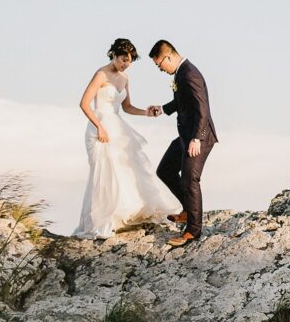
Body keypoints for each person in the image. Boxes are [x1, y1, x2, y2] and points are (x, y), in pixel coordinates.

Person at [74, 39, 179, 239]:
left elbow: (127, 107)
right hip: (100, 127)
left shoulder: (125, 78)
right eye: (123, 60)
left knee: (126, 168)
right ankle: (104, 220)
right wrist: (100, 127)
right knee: (106, 172)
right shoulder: (101, 74)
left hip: (117, 126)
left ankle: (123, 215)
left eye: (129, 62)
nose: (125, 64)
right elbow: (84, 104)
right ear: (113, 54)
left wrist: (146, 113)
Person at [147, 39, 218, 247]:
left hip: (199, 137)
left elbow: (202, 109)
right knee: (165, 170)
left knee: (190, 180)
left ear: (168, 57)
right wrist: (162, 109)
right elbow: (182, 101)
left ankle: (193, 232)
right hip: (186, 136)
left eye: (160, 65)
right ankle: (188, 210)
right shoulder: (180, 73)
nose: (161, 69)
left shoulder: (189, 74)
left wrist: (197, 138)